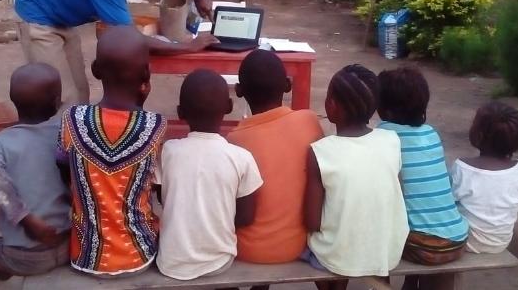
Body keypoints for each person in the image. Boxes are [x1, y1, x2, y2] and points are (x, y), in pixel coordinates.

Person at [15, 0, 218, 109]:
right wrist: (187, 47)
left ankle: (75, 143)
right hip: (39, 17)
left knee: (79, 92)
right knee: (57, 95)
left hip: (62, 18)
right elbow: (132, 39)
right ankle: (58, 152)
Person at [57, 26, 166, 276]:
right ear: (146, 75)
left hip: (84, 257)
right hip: (139, 254)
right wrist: (140, 103)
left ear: (95, 70)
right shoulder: (155, 125)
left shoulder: (73, 119)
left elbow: (63, 167)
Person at [304, 65, 408, 290]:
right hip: (387, 249)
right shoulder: (391, 140)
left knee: (312, 246)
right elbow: (396, 193)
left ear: (332, 105)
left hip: (339, 255)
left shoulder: (320, 151)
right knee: (363, 233)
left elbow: (312, 221)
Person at [156, 69, 263, 280]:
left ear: (180, 112)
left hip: (170, 262)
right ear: (229, 107)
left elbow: (163, 198)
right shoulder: (241, 157)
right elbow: (246, 217)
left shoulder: (168, 151)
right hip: (219, 261)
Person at [0, 63, 70, 279]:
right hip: (69, 245)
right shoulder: (65, 131)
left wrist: (26, 219)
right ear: (56, 102)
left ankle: (2, 269)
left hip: (25, 258)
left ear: (13, 100)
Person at [226, 50, 323, 272]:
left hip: (246, 249)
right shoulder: (309, 122)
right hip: (297, 246)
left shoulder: (235, 140)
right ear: (288, 85)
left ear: (239, 91)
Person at [377, 67, 469, 289]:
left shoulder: (382, 137)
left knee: (374, 227)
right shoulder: (431, 134)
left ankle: (380, 285)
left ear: (384, 109)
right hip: (456, 238)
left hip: (422, 245)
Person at [451, 101, 518, 254]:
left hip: (465, 240)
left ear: (478, 134)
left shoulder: (462, 167)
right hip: (500, 242)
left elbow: (450, 201)